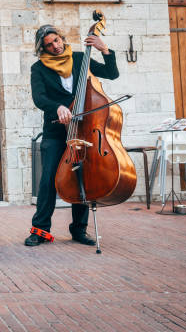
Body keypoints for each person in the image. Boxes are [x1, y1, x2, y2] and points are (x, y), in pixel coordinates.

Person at [25, 24, 119, 247]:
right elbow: (39, 98)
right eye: (48, 45)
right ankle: (40, 231)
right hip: (56, 131)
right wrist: (57, 107)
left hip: (85, 129)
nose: (55, 46)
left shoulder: (79, 59)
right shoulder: (38, 69)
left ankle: (79, 229)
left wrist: (104, 49)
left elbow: (112, 74)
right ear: (42, 49)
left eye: (56, 40)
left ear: (62, 39)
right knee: (48, 179)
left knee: (82, 178)